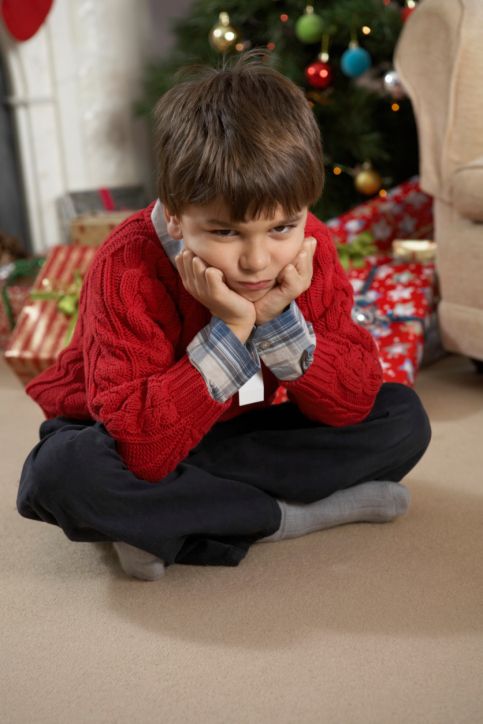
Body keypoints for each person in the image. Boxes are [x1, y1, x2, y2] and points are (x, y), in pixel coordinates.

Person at [16, 49, 431, 581]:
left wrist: (279, 319)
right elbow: (141, 452)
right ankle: (285, 517)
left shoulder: (310, 248)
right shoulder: (127, 265)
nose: (258, 261)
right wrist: (233, 328)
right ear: (173, 213)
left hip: (232, 432)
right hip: (126, 427)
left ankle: (163, 518)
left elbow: (350, 404)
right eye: (226, 232)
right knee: (62, 474)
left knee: (402, 418)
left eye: (282, 227)